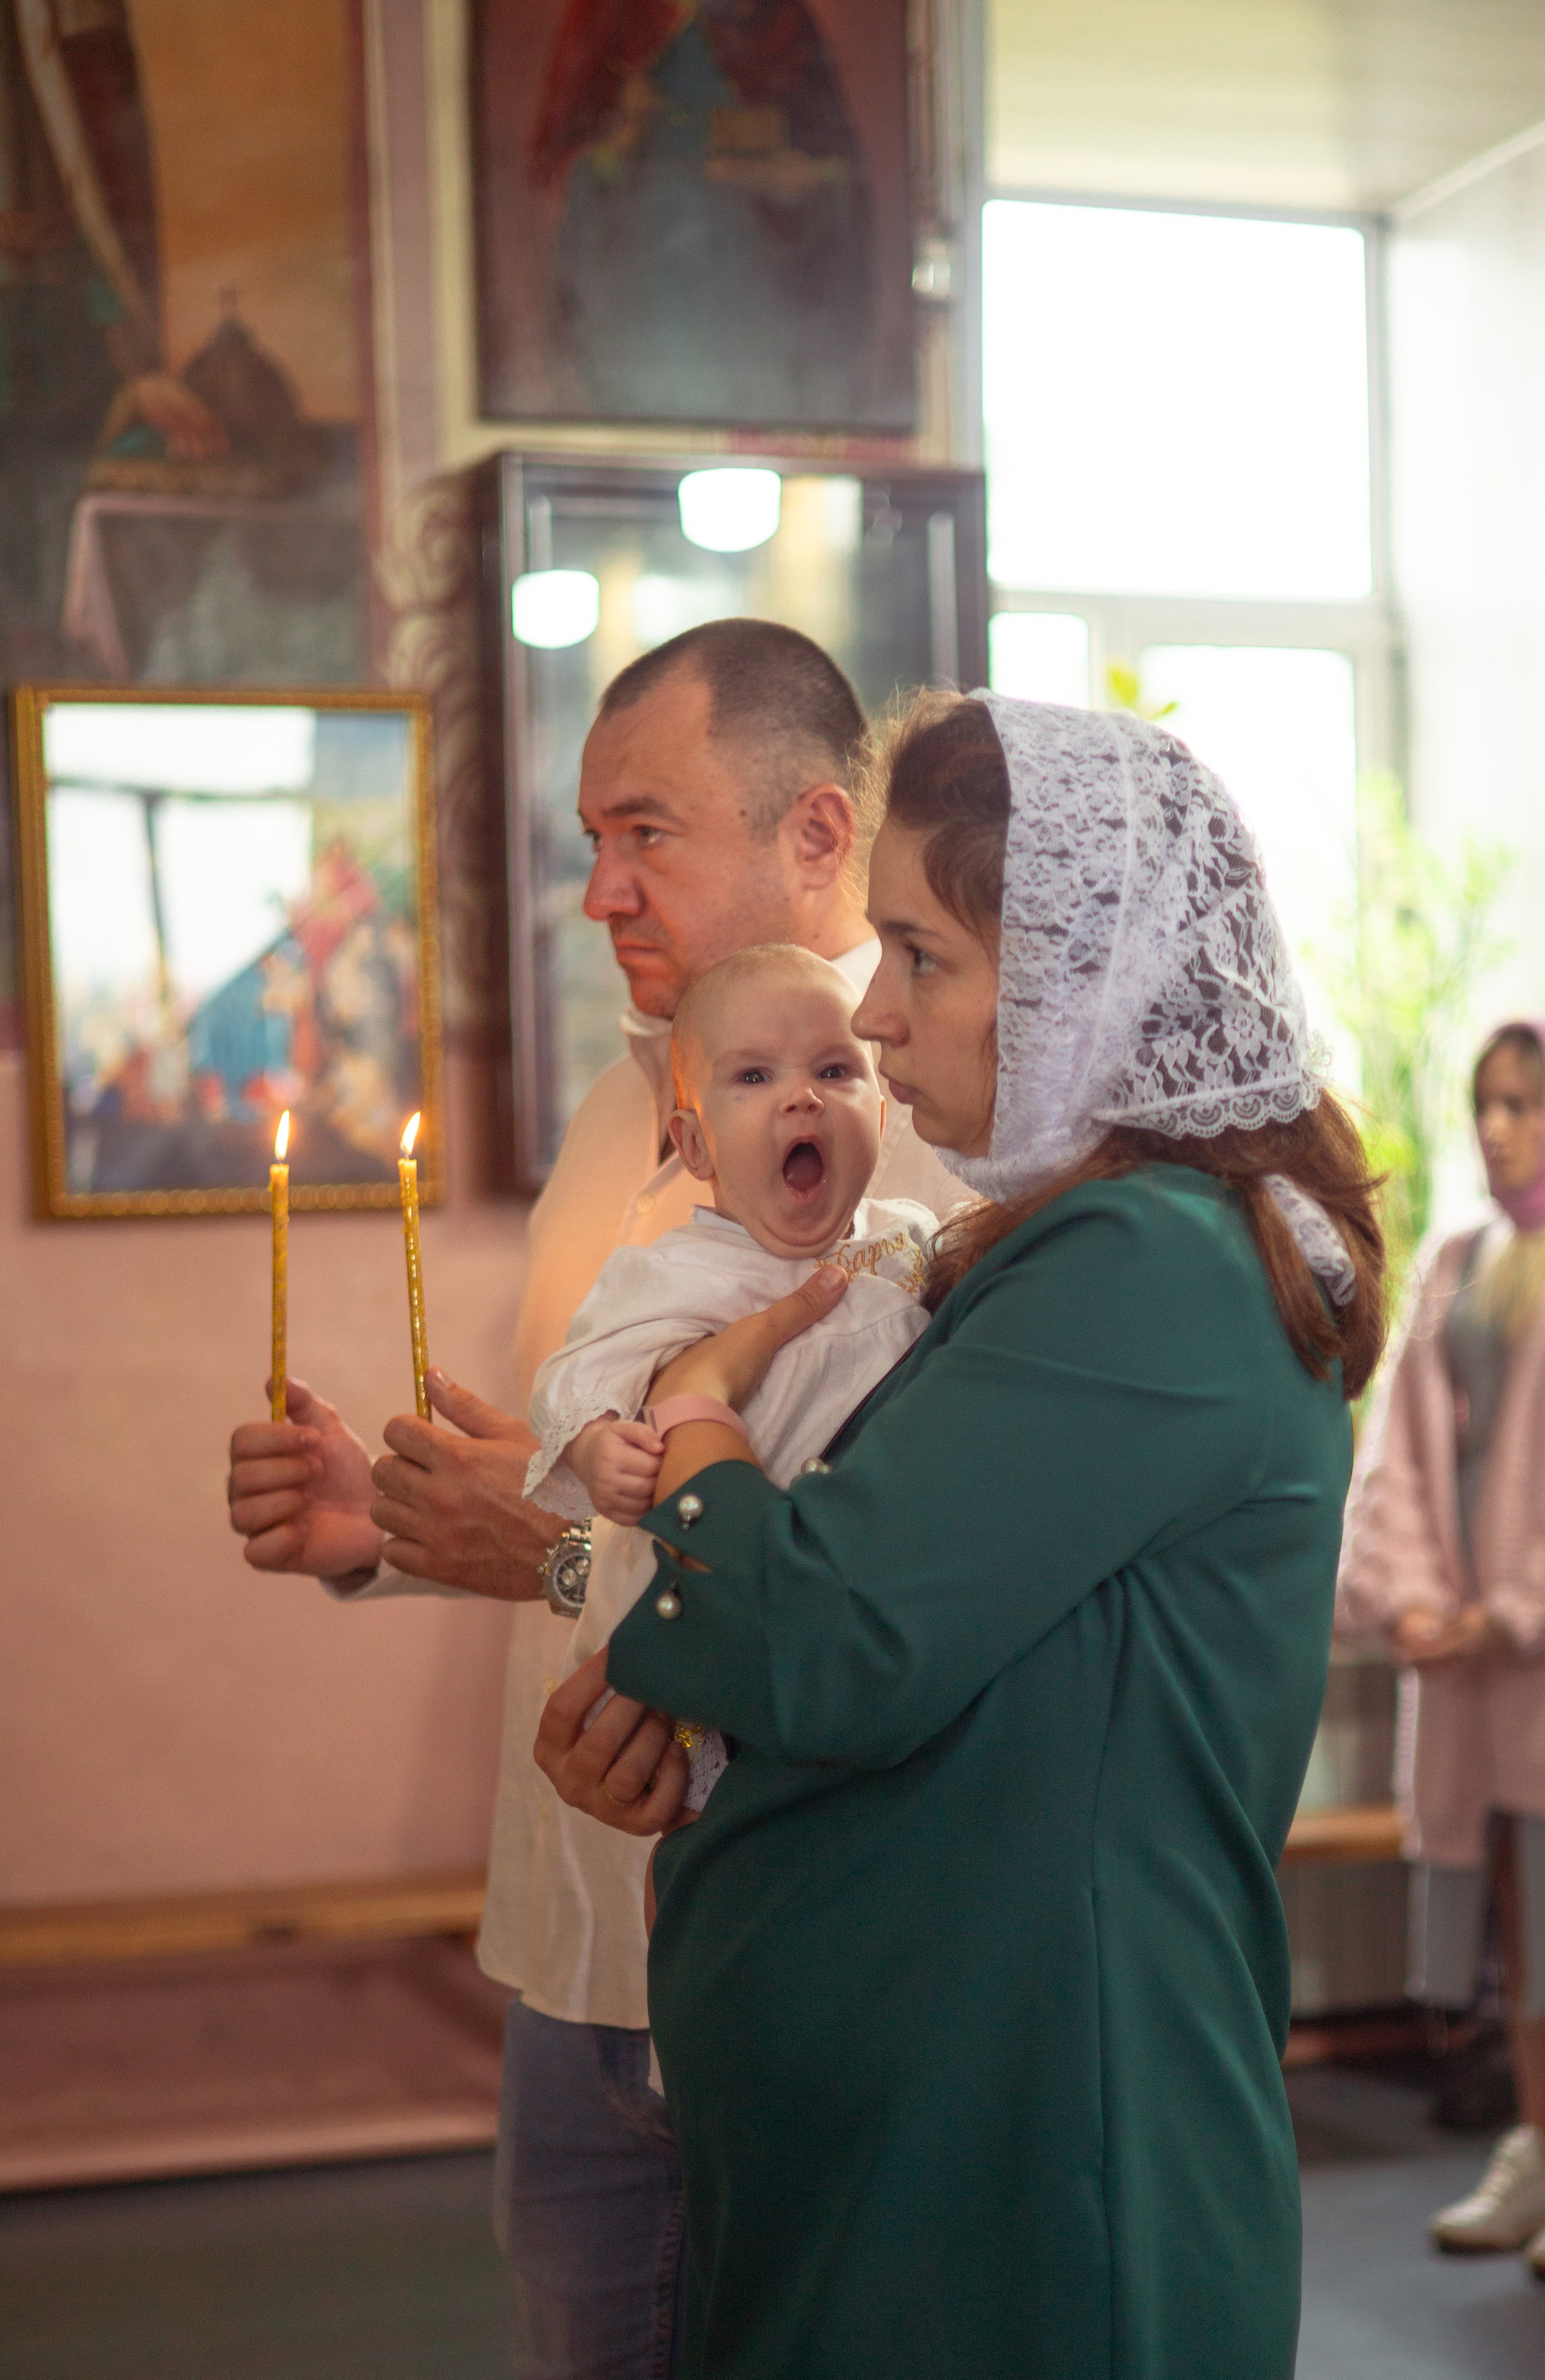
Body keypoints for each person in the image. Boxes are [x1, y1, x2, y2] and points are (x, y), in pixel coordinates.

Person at [536, 690, 1388, 2379]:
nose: (872, 1006)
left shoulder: (1152, 1264)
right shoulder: (1054, 1247)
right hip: (928, 2140)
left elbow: (825, 1645)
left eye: (920, 955)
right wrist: (656, 1686)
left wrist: (700, 1409)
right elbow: (861, 1603)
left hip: (1031, 2167)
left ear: (1084, 982)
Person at [224, 620, 958, 2380]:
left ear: (815, 836)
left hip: (799, 1943)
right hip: (574, 1931)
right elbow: (581, 1488)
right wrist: (382, 1533)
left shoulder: (928, 1141)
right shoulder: (615, 1113)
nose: (599, 892)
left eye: (647, 834)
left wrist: (549, 1553)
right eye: (589, 843)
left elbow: (862, 1602)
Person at [525, 942, 936, 1809]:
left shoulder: (911, 1241)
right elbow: (574, 1374)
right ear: (695, 1142)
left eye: (836, 1068)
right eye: (753, 1077)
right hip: (703, 1590)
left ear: (884, 1107)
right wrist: (599, 1446)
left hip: (846, 1600)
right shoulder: (675, 1276)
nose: (802, 1095)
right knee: (692, 1815)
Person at [1337, 1019, 1545, 2267]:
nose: (1494, 1125)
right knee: (1515, 1924)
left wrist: (1514, 1607)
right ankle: (1531, 2141)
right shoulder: (1457, 1264)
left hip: (1525, 1649)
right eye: (1485, 1102)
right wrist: (1412, 1600)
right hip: (1468, 1669)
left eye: (1520, 1103)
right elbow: (1399, 1458)